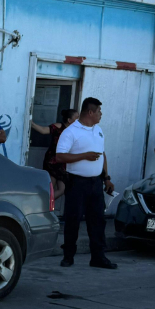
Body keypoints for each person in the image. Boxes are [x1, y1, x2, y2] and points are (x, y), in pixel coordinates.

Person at [56, 97, 117, 269]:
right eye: (99, 111)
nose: (101, 115)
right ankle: (68, 256)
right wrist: (84, 156)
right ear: (90, 112)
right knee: (73, 220)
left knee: (98, 220)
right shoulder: (71, 132)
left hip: (96, 183)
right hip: (77, 183)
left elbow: (102, 154)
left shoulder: (98, 130)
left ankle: (98, 257)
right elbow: (60, 156)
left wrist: (106, 177)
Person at [41, 107, 77, 209]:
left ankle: (45, 206)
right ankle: (44, 208)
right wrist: (31, 122)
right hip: (52, 161)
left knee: (62, 189)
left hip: (63, 163)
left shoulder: (75, 131)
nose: (79, 120)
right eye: (77, 118)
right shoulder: (59, 127)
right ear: (69, 120)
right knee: (51, 188)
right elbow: (44, 131)